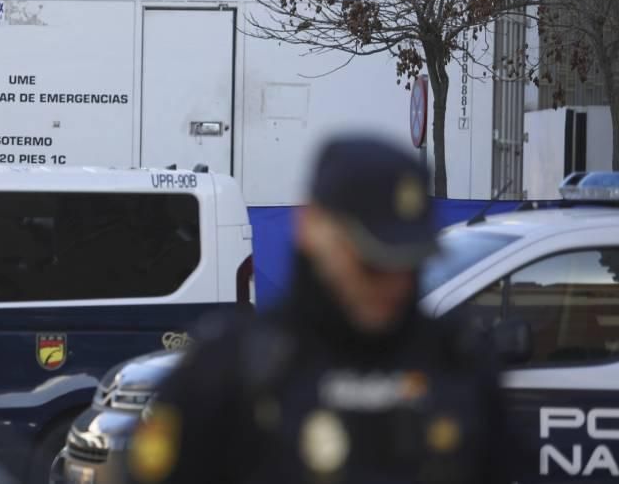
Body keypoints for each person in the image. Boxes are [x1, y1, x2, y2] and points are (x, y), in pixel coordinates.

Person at [125, 134, 516, 484]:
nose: (392, 282)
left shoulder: (459, 363)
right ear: (310, 226)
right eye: (372, 261)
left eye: (408, 261)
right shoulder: (229, 369)